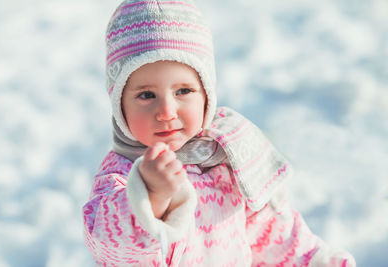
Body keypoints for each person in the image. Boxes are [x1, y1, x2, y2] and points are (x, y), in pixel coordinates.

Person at [83, 0, 356, 266]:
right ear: (119, 104)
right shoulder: (121, 173)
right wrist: (150, 196)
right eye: (146, 95)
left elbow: (269, 233)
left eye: (183, 91)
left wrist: (313, 260)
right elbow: (110, 247)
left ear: (206, 94)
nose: (166, 111)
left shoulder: (227, 155)